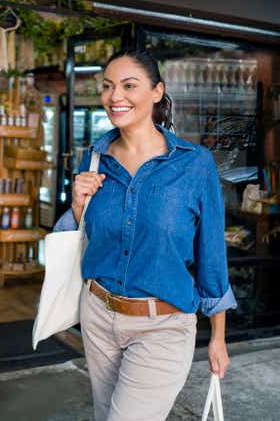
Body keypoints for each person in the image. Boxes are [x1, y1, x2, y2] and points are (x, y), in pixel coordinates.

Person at [54, 49, 236, 421]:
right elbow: (79, 237)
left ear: (156, 91)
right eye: (107, 87)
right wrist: (76, 206)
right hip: (98, 316)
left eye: (128, 85)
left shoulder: (193, 164)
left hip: (164, 326)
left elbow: (212, 253)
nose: (114, 96)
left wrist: (218, 336)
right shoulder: (93, 159)